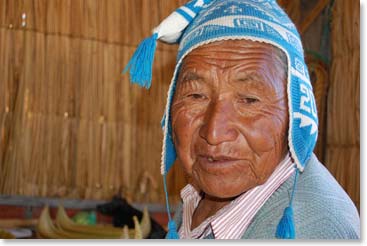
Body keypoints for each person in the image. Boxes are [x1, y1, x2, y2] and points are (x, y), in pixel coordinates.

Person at [124, 0, 360, 239]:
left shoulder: (316, 229)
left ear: (295, 111)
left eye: (249, 100)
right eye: (196, 95)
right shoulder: (203, 194)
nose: (214, 133)